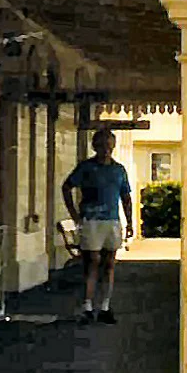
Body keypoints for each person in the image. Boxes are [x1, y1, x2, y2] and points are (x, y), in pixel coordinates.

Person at [62, 128, 134, 325]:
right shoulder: (86, 168)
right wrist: (75, 214)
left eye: (109, 145)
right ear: (95, 146)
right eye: (102, 145)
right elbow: (67, 187)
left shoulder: (118, 170)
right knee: (92, 261)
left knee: (109, 263)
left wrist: (129, 222)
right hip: (91, 220)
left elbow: (126, 197)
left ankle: (104, 306)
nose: (106, 150)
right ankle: (86, 306)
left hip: (111, 220)